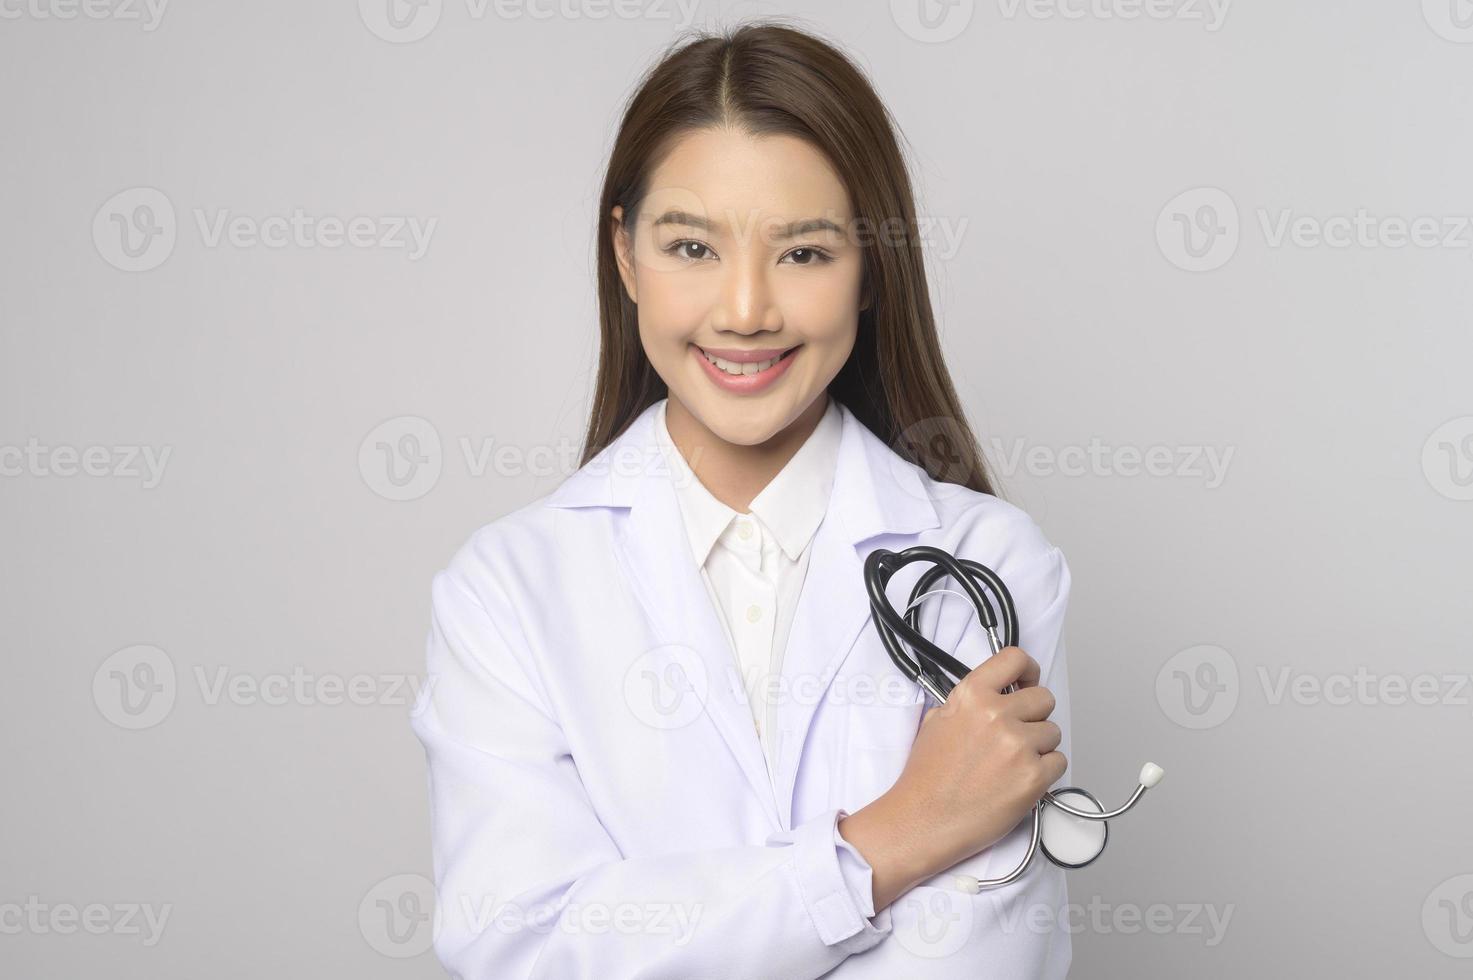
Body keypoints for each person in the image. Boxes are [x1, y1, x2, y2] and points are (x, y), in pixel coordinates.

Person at [410, 20, 1073, 979]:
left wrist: (663, 925)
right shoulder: (507, 590)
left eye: (802, 254)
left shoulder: (987, 568)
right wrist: (887, 841)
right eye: (691, 248)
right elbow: (523, 947)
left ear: (871, 268)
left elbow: (976, 961)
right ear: (626, 256)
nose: (746, 309)